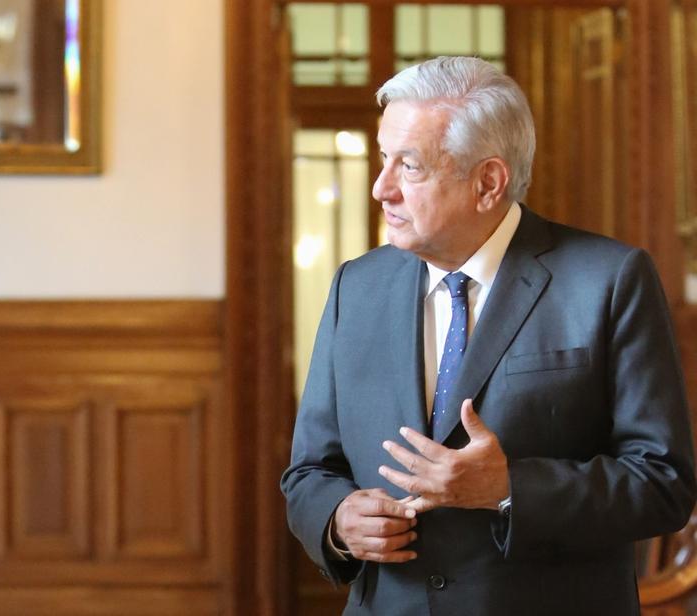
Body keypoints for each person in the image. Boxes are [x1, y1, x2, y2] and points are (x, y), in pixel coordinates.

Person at [281, 56, 697, 615]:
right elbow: (309, 471)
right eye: (384, 159)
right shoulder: (356, 286)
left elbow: (663, 483)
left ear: (488, 182)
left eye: (409, 166)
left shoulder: (609, 280)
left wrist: (508, 488)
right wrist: (337, 520)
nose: (382, 188)